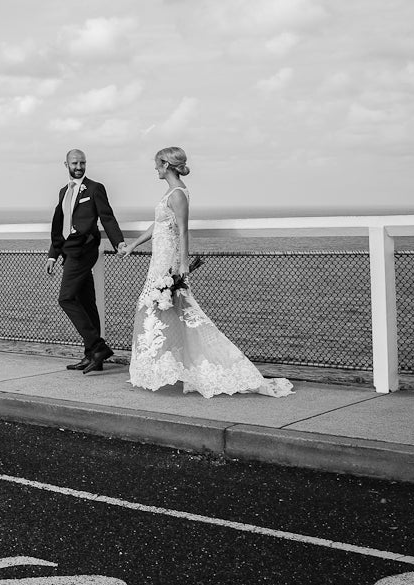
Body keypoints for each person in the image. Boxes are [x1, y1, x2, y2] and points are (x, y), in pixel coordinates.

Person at [122, 146, 292, 398]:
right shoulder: (169, 192)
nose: (155, 168)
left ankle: (182, 369)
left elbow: (182, 231)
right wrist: (133, 245)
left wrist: (182, 263)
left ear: (166, 165)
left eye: (157, 164)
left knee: (161, 311)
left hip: (167, 263)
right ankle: (155, 370)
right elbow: (158, 225)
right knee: (161, 313)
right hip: (157, 262)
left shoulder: (178, 194)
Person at [45, 148, 124, 374]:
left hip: (84, 250)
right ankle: (92, 357)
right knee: (87, 303)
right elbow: (60, 227)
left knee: (66, 298)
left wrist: (118, 242)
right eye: (75, 163)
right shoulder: (64, 192)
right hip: (69, 251)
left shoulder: (95, 188)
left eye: (82, 163)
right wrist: (53, 254)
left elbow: (107, 217)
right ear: (66, 165)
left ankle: (99, 347)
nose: (79, 167)